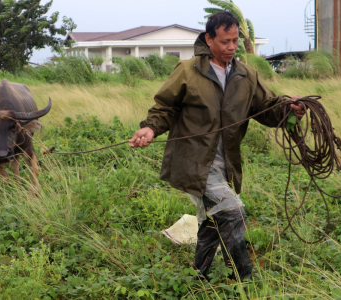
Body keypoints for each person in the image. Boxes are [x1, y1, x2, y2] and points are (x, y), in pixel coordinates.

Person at [129, 11, 305, 281]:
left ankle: (199, 276)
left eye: (235, 40)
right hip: (195, 162)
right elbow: (165, 107)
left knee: (213, 220)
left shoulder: (246, 75)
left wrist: (290, 110)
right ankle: (243, 279)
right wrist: (151, 128)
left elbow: (267, 108)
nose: (231, 47)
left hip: (227, 165)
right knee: (233, 212)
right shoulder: (188, 71)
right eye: (225, 41)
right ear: (209, 39)